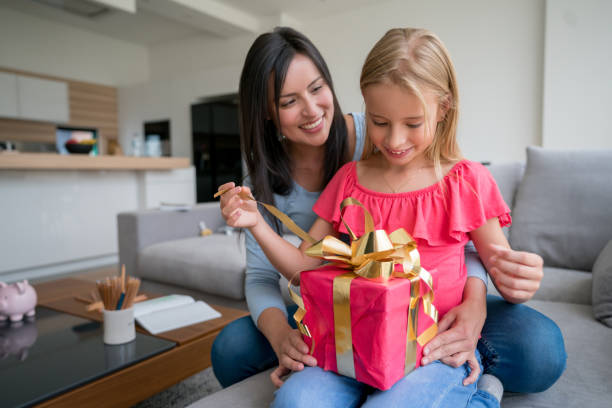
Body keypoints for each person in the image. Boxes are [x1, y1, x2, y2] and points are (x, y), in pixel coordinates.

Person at [212, 26, 565, 399]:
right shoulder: (349, 180)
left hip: (431, 344)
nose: (394, 141)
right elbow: (304, 267)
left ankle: (482, 393)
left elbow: (495, 262)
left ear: (443, 108)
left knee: (538, 347)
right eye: (379, 123)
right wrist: (255, 224)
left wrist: (508, 285)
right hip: (355, 336)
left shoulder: (465, 178)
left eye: (412, 125)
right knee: (292, 398)